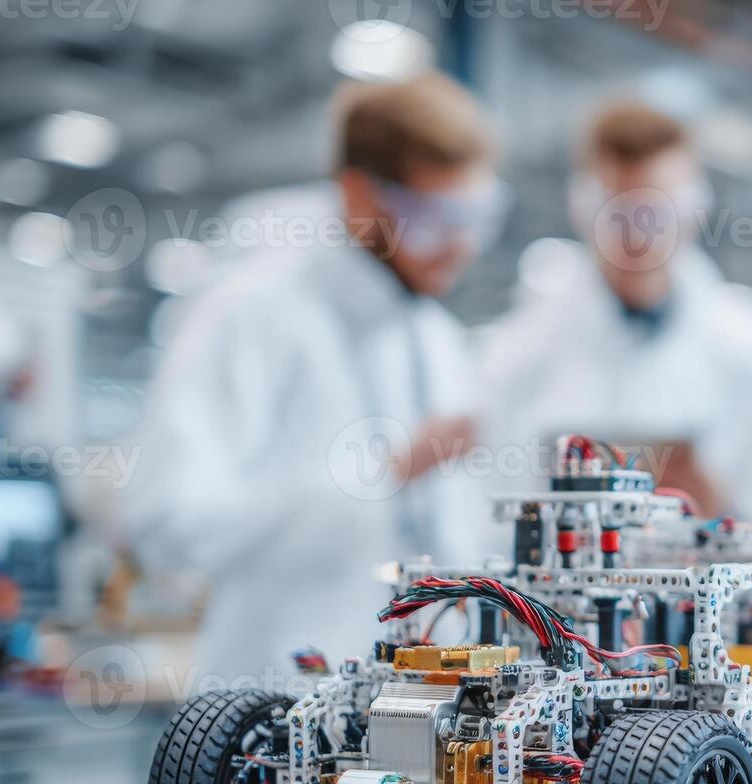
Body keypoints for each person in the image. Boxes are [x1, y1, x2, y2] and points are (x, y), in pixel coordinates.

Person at [123, 73, 507, 686]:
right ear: (358, 193)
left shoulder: (435, 336)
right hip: (277, 715)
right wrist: (382, 473)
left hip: (423, 721)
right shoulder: (253, 313)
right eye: (433, 217)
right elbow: (165, 521)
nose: (460, 246)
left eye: (476, 215)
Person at [478, 101, 752, 532]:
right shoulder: (519, 351)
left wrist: (723, 512)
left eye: (657, 213)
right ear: (583, 208)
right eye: (620, 214)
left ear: (694, 209)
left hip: (711, 593)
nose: (639, 238)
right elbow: (485, 511)